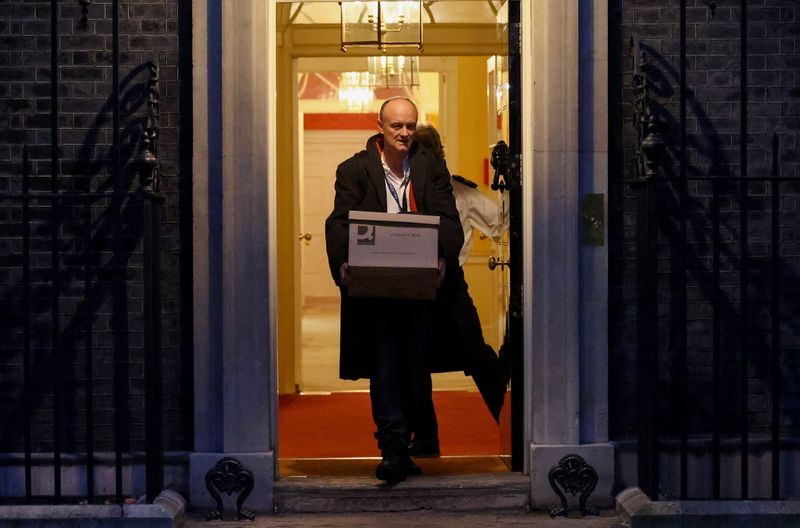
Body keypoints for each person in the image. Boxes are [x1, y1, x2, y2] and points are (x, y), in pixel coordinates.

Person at [324, 97, 464, 483]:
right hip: (375, 293)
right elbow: (339, 222)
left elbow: (449, 222)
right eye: (397, 126)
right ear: (380, 127)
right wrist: (343, 266)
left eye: (410, 126)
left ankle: (406, 444)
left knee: (415, 369)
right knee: (383, 367)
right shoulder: (353, 170)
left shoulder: (430, 167)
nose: (404, 133)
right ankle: (392, 449)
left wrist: (441, 260)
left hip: (419, 290)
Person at [408, 123, 510, 458]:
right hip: (440, 286)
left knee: (422, 361)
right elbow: (499, 221)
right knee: (468, 355)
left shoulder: (457, 192)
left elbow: (498, 223)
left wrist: (508, 181)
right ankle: (508, 421)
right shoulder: (448, 192)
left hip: (439, 285)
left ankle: (426, 438)